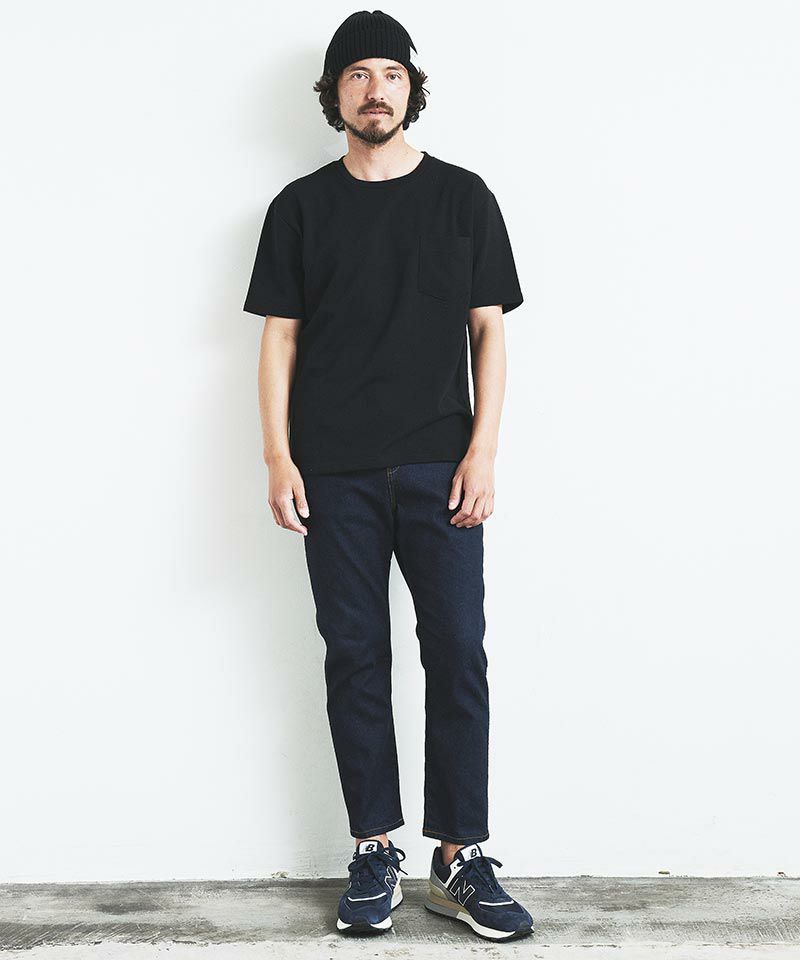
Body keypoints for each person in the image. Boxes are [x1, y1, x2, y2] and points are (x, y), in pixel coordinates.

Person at [243, 9, 534, 943]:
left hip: (441, 466)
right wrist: (279, 456)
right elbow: (279, 339)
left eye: (393, 74)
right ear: (334, 95)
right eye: (358, 75)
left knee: (458, 653)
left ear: (413, 89)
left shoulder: (464, 198)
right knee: (357, 656)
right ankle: (375, 847)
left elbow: (489, 332)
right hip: (333, 471)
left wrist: (483, 450)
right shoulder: (299, 208)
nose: (377, 90)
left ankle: (459, 855)